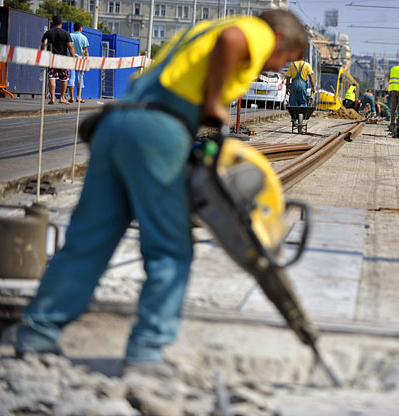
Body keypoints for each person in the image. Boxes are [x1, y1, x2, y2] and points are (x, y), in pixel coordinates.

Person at [16, 10, 308, 373]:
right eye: (287, 60)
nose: (279, 68)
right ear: (280, 40)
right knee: (170, 247)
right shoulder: (256, 32)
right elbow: (232, 41)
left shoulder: (203, 28)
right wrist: (215, 103)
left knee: (88, 238)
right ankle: (146, 352)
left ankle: (36, 334)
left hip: (117, 123)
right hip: (159, 129)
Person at [41, 16, 75, 105]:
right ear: (61, 23)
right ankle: (62, 97)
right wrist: (73, 57)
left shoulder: (48, 33)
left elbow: (42, 46)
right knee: (64, 78)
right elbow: (70, 46)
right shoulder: (66, 33)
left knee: (52, 77)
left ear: (53, 23)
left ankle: (52, 98)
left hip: (51, 58)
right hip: (63, 59)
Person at [67, 22, 89, 103]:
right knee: (80, 78)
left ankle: (71, 97)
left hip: (71, 59)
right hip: (80, 60)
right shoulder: (84, 38)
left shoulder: (69, 36)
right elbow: (86, 51)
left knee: (71, 77)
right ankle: (78, 97)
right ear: (81, 28)